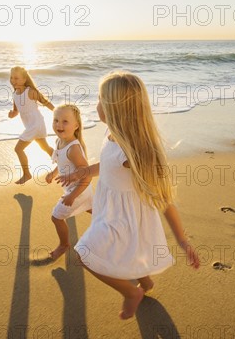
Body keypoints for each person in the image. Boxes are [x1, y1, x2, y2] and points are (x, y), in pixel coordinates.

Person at [57, 71, 200, 320]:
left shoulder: (131, 150)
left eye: (101, 100)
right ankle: (145, 284)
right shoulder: (110, 132)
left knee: (84, 254)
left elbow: (163, 196)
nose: (96, 104)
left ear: (115, 107)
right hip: (108, 209)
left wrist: (182, 240)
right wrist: (82, 172)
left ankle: (131, 292)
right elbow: (105, 164)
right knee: (127, 252)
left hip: (123, 216)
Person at [44, 104, 93, 261]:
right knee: (95, 211)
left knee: (56, 218)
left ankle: (64, 244)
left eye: (65, 121)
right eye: (56, 120)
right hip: (79, 191)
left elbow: (87, 175)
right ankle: (115, 224)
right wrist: (53, 173)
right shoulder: (60, 142)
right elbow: (61, 162)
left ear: (76, 126)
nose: (59, 125)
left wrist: (72, 195)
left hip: (79, 190)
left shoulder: (74, 149)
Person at [8, 66, 55, 184]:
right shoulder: (15, 94)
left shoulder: (30, 92)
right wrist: (11, 114)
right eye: (12, 78)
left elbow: (46, 102)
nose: (14, 81)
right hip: (31, 125)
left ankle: (27, 174)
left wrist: (59, 113)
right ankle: (64, 163)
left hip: (36, 124)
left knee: (18, 149)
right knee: (45, 147)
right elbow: (16, 111)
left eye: (17, 78)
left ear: (24, 79)